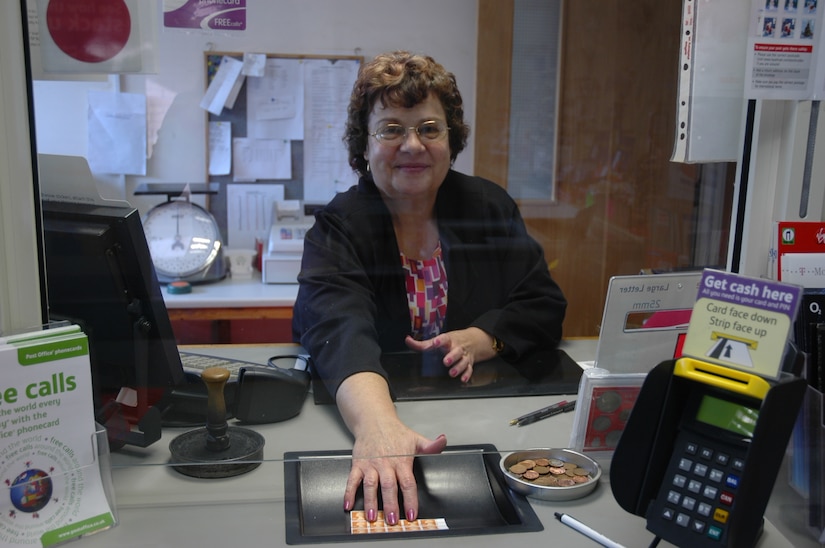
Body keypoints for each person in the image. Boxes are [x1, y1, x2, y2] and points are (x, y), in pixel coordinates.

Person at [292, 51, 567, 526]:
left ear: (451, 139)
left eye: (429, 128)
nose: (413, 145)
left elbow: (542, 302)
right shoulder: (339, 225)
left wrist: (485, 338)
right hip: (375, 412)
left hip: (481, 420)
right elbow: (337, 327)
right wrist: (378, 428)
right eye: (392, 129)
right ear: (365, 144)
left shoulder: (487, 206)